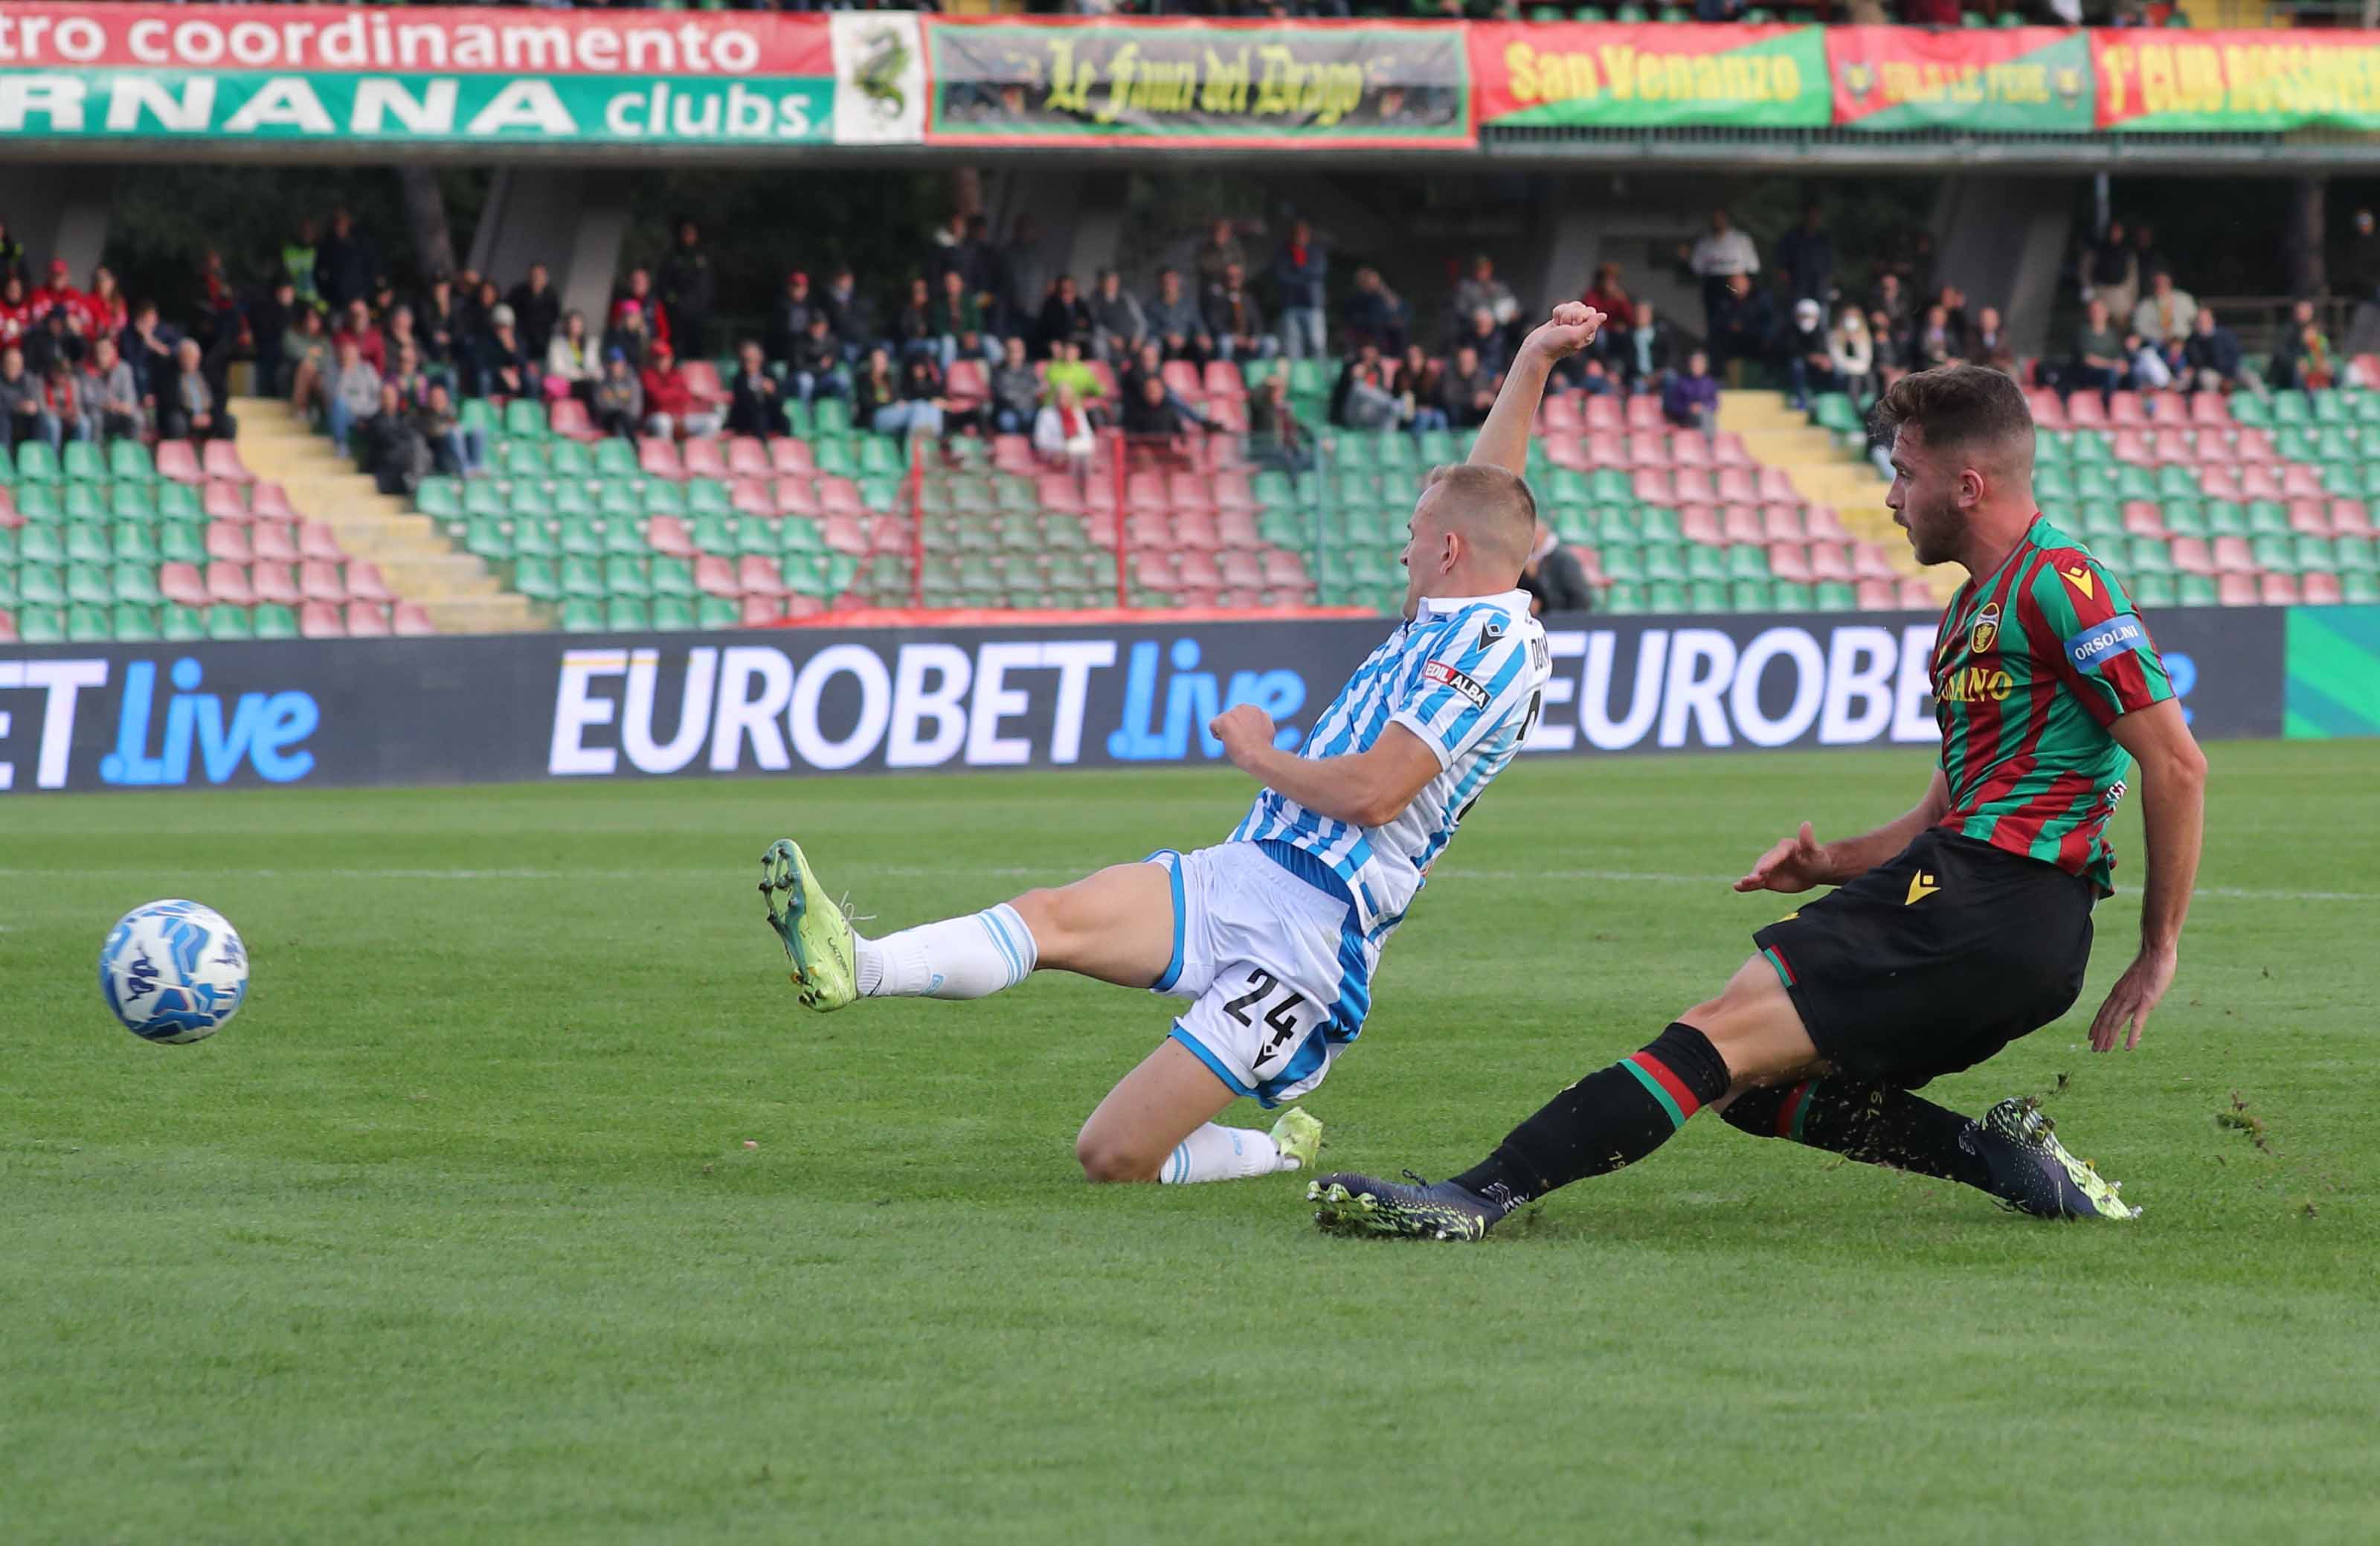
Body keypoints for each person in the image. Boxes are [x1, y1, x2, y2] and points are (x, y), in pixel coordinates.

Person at [1306, 363, 2207, 1241]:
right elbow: (1945, 805)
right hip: (1995, 915)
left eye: (1904, 473)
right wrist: (1829, 863)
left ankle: (1473, 1196)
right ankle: (2000, 1158)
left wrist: (2156, 948)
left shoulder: (2061, 582)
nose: (1890, 497)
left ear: (1967, 486)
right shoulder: (1970, 613)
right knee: (1753, 1087)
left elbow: (2175, 764)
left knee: (1715, 1033)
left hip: (1994, 896)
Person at [753, 304, 1603, 1187]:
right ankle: (860, 964)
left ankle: (1278, 1150)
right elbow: (1486, 494)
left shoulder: (1493, 647)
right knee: (1050, 914)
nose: (1403, 551)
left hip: (1311, 934)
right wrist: (1533, 359)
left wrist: (1256, 753)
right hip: (1246, 868)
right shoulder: (1460, 598)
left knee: (1112, 1154)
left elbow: (1375, 792)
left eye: (1413, 534)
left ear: (1449, 550)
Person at [1687, 208, 1760, 333]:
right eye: (1715, 220)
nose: (1718, 222)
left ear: (1727, 220)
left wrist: (1742, 283)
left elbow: (1754, 267)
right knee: (1715, 321)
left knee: (1737, 319)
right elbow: (1696, 267)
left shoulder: (1741, 240)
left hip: (1735, 284)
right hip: (1713, 283)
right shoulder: (1705, 242)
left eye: (1720, 219)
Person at [657, 219, 715, 359]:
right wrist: (675, 302)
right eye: (686, 234)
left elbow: (707, 285)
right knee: (678, 347)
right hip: (678, 314)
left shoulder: (703, 257)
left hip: (698, 313)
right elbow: (665, 285)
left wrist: (702, 305)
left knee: (697, 348)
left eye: (692, 234)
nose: (689, 237)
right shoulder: (672, 257)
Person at [640, 341, 721, 439]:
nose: (662, 361)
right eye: (658, 358)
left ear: (671, 359)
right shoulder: (647, 375)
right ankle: (665, 448)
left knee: (712, 421)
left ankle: (694, 447)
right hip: (655, 419)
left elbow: (686, 396)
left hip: (680, 418)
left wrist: (669, 393)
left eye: (665, 357)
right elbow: (659, 399)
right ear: (652, 359)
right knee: (663, 422)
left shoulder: (676, 374)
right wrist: (676, 393)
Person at [1273, 221, 1328, 361]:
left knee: (1317, 344)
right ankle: (1296, 374)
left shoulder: (1315, 253)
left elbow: (1318, 273)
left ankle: (1319, 373)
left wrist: (1298, 269)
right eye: (1297, 234)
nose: (1300, 237)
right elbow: (1283, 276)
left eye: (1303, 234)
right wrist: (1304, 275)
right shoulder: (1283, 253)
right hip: (1290, 304)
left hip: (1313, 304)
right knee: (1293, 345)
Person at [164, 338, 235, 442]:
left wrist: (211, 416)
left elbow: (221, 397)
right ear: (180, 358)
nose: (189, 361)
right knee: (176, 422)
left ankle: (224, 452)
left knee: (229, 421)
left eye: (193, 358)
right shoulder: (171, 377)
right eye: (186, 357)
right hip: (186, 418)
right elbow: (170, 402)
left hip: (209, 417)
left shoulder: (209, 374)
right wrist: (191, 417)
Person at [323, 336, 382, 455]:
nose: (347, 357)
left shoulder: (367, 369)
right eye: (344, 353)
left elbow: (379, 394)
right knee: (339, 404)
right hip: (345, 415)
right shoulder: (332, 371)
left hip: (367, 414)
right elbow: (334, 398)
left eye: (350, 354)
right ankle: (341, 444)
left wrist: (366, 415)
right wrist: (344, 374)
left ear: (357, 355)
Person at [1203, 263, 1273, 364]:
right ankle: (1226, 371)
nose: (1234, 279)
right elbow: (1215, 323)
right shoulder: (1217, 298)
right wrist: (1234, 337)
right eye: (1230, 276)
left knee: (1271, 342)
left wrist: (1254, 337)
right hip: (1228, 338)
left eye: (1238, 276)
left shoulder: (1248, 299)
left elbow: (1257, 321)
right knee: (1225, 342)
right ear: (1224, 278)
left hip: (1247, 339)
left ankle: (1259, 370)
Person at [1520, 522, 1592, 616]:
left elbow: (1579, 598)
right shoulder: (1526, 560)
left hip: (1563, 619)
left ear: (1542, 535)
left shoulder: (1564, 560)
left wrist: (1537, 577)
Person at [1144, 268, 1210, 365]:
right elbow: (1150, 329)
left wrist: (1203, 335)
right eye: (1166, 282)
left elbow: (1198, 324)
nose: (1169, 284)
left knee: (1203, 347)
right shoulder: (1153, 306)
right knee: (1154, 346)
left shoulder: (1189, 304)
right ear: (1160, 284)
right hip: (1165, 345)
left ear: (1178, 283)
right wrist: (1167, 336)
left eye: (1172, 281)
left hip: (1187, 341)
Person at [1248, 373, 1311, 473]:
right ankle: (1294, 483)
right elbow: (1254, 396)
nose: (1280, 394)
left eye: (1282, 390)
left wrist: (1318, 441)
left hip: (1287, 451)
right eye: (1276, 390)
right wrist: (1266, 383)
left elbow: (1300, 427)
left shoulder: (1285, 411)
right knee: (1287, 458)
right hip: (1266, 450)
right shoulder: (1263, 408)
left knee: (1311, 457)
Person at [81, 337, 141, 441]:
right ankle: (96, 448)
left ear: (113, 351)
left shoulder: (124, 369)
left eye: (105, 351)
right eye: (99, 351)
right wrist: (105, 404)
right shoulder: (86, 371)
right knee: (95, 418)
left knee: (137, 417)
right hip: (99, 412)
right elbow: (87, 400)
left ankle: (129, 447)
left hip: (119, 411)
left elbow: (130, 398)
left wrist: (120, 406)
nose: (101, 355)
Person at [1330, 340, 1399, 431]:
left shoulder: (1378, 370)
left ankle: (1387, 437)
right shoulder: (1351, 365)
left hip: (1369, 412)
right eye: (1367, 352)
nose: (1369, 355)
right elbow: (1348, 390)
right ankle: (1391, 402)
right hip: (1350, 412)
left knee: (1390, 411)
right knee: (1359, 387)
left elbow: (1381, 391)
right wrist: (1355, 375)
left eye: (1372, 352)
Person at [2068, 298, 2128, 401]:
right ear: (2089, 314)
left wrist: (2123, 365)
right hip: (2089, 373)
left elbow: (2119, 355)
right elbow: (2088, 360)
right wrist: (2112, 365)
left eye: (2100, 310)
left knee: (2133, 373)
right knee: (2111, 374)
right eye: (2094, 311)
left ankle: (2136, 406)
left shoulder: (2113, 334)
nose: (2097, 314)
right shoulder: (2083, 333)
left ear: (2106, 313)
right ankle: (2107, 405)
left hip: (2112, 369)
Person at [1775, 205, 1836, 305]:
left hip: (1820, 291)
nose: (1814, 219)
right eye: (1811, 215)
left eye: (1816, 216)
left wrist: (1827, 284)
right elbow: (1782, 268)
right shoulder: (1791, 238)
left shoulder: (1824, 240)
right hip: (1797, 290)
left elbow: (1829, 267)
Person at [727, 340, 788, 438]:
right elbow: (741, 402)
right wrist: (753, 386)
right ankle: (761, 445)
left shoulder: (769, 374)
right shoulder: (739, 378)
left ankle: (786, 443)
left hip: (769, 414)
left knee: (784, 418)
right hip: (748, 417)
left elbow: (780, 399)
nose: (751, 362)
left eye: (754, 358)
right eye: (747, 359)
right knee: (759, 417)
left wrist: (772, 392)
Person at [1033, 381, 1096, 476]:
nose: (1063, 399)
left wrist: (1071, 446)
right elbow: (1041, 440)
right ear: (1055, 398)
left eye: (1067, 396)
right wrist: (1063, 446)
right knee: (1071, 456)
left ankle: (1082, 482)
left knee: (1081, 456)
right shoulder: (1046, 414)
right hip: (1053, 451)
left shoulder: (1077, 412)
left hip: (1075, 451)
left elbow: (1088, 436)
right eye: (1061, 396)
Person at [1782, 298, 1836, 409]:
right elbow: (1790, 350)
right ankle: (1800, 397)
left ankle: (1819, 397)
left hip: (1815, 367)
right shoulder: (1790, 330)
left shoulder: (1820, 332)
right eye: (1804, 315)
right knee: (1797, 365)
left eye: (1810, 316)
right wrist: (1810, 357)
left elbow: (1824, 350)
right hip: (1796, 366)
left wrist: (1823, 359)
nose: (1807, 319)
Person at [2268, 299, 2332, 391]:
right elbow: (2280, 354)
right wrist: (2296, 362)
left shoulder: (2314, 330)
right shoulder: (2286, 330)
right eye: (2303, 310)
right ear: (2296, 311)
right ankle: (2308, 397)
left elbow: (2319, 352)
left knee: (2331, 371)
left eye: (2308, 310)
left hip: (2309, 367)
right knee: (2299, 372)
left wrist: (2322, 363)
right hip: (2286, 372)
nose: (2305, 313)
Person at [1087, 268, 1147, 364]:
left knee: (1150, 347)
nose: (1111, 284)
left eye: (1114, 282)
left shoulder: (1127, 298)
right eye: (1108, 281)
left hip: (1132, 337)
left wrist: (1138, 338)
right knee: (1098, 343)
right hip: (1109, 337)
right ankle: (1104, 370)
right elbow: (1095, 324)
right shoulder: (1094, 300)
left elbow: (1140, 320)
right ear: (1101, 283)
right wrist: (1111, 337)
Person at [507, 262, 562, 362]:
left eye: (539, 275)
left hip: (541, 341)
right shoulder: (518, 292)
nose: (536, 278)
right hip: (520, 337)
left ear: (545, 277)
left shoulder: (551, 295)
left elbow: (555, 317)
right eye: (533, 275)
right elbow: (508, 312)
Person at [544, 309, 599, 404]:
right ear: (566, 325)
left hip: (587, 381)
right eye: (572, 324)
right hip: (568, 382)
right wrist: (580, 374)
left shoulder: (591, 343)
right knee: (589, 388)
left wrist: (595, 374)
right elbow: (556, 369)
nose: (575, 327)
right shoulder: (557, 344)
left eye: (578, 324)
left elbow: (595, 365)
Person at [2182, 307, 2242, 394]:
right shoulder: (2193, 341)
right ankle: (2213, 402)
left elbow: (2235, 355)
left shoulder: (2225, 335)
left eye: (2205, 320)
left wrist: (2228, 376)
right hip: (2210, 372)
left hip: (2230, 371)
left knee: (2252, 378)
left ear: (2212, 320)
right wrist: (2205, 339)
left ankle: (2264, 400)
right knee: (2206, 378)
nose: (2202, 323)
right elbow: (2196, 362)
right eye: (2200, 321)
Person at [768, 271, 819, 371]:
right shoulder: (781, 305)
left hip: (805, 355)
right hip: (782, 356)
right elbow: (779, 333)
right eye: (795, 286)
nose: (797, 290)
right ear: (789, 287)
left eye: (801, 287)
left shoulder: (811, 306)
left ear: (806, 289)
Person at [989, 336, 1041, 436]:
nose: (1015, 354)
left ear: (1023, 352)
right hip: (1008, 410)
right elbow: (1005, 395)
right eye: (1012, 350)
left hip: (1029, 409)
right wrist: (1027, 393)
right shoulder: (998, 371)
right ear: (1006, 352)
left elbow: (1038, 389)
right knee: (1007, 421)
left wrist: (1028, 393)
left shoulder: (1029, 369)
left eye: (1018, 350)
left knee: (1040, 417)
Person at [1034, 275, 1093, 361]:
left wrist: (1083, 325)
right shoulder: (1050, 305)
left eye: (1071, 289)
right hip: (1058, 339)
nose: (1067, 292)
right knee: (1057, 347)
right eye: (1064, 289)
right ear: (1059, 290)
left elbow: (1089, 323)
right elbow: (1046, 328)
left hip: (1078, 339)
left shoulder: (1081, 304)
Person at [1438, 344, 1497, 429]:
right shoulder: (1449, 375)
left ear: (1476, 362)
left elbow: (1487, 394)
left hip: (1479, 414)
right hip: (1459, 416)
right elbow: (1448, 397)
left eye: (1469, 361)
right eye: (1463, 361)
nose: (1466, 364)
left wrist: (1490, 399)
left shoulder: (1482, 375)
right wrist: (1473, 399)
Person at [2132, 271, 2197, 347]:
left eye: (2164, 284)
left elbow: (2195, 320)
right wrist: (2161, 337)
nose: (2161, 287)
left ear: (2170, 283)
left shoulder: (2184, 300)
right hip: (2155, 343)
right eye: (2157, 284)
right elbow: (2139, 329)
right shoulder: (2144, 306)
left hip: (2184, 342)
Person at [1662, 348, 1720, 435]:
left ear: (1704, 366)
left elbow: (1715, 404)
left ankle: (1706, 439)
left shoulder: (1710, 383)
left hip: (1705, 417)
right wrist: (1688, 408)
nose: (1696, 366)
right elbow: (1673, 405)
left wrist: (1702, 407)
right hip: (1685, 418)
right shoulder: (1682, 383)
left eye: (1699, 364)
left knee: (1706, 416)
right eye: (1694, 364)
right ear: (1690, 365)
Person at [0, 344, 45, 452]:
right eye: (9, 364)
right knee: (3, 419)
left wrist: (33, 406)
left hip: (23, 419)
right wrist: (17, 407)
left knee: (41, 417)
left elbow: (35, 401)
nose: (13, 368)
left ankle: (35, 454)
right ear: (2, 365)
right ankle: (5, 456)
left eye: (17, 365)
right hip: (5, 417)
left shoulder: (28, 379)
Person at [1827, 306, 1875, 402]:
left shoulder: (1865, 337)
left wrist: (1855, 342)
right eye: (1848, 316)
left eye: (1854, 316)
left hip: (1862, 373)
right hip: (1843, 375)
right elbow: (1839, 362)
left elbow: (1866, 360)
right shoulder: (1834, 336)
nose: (1851, 319)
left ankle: (1871, 405)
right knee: (1854, 379)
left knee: (1870, 377)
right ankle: (1856, 408)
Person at [592, 350, 643, 439]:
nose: (615, 367)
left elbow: (635, 407)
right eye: (612, 364)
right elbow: (600, 405)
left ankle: (629, 444)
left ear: (623, 364)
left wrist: (625, 414)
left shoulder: (632, 382)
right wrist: (617, 411)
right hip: (609, 419)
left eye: (617, 364)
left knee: (624, 419)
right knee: (619, 418)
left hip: (629, 420)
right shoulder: (602, 383)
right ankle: (630, 443)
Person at [1398, 345, 1448, 434]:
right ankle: (1416, 442)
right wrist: (1418, 408)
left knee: (1440, 416)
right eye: (1411, 358)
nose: (1413, 361)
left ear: (1423, 359)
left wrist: (1428, 408)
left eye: (1417, 358)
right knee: (1424, 417)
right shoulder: (1400, 376)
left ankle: (1443, 441)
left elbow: (1437, 399)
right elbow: (1398, 397)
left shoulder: (1430, 377)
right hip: (1408, 412)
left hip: (1430, 410)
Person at [1966, 306, 2017, 378]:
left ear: (1997, 321)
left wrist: (2002, 362)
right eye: (1985, 319)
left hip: (2001, 369)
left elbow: (2009, 356)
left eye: (1991, 319)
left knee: (2012, 371)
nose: (1988, 322)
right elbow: (1973, 356)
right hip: (1981, 367)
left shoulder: (2003, 336)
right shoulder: (1973, 336)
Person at [1194, 217, 1245, 286]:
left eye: (1224, 233)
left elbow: (1240, 262)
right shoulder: (1206, 248)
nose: (1220, 236)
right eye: (1219, 232)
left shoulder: (1234, 246)